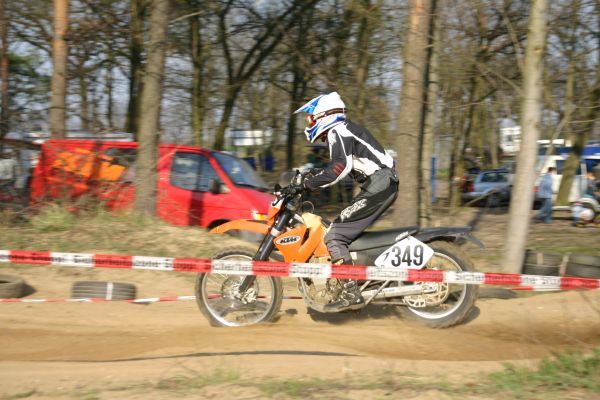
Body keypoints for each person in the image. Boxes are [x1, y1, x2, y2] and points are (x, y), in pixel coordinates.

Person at [294, 91, 399, 312]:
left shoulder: (337, 131)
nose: (309, 123)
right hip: (380, 183)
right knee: (344, 231)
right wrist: (310, 177)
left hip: (380, 184)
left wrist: (308, 184)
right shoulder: (344, 130)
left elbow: (339, 168)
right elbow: (338, 166)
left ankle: (351, 292)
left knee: (334, 235)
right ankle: (358, 276)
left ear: (323, 115)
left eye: (311, 118)